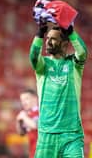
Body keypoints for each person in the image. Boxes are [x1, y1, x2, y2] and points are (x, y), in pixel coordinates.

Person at [29, 15, 88, 157]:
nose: (48, 42)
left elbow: (82, 53)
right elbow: (33, 57)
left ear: (64, 43)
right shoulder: (43, 65)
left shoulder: (73, 64)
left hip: (71, 135)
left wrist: (71, 32)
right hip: (46, 135)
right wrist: (40, 33)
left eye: (53, 39)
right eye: (47, 38)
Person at [16, 89, 39, 158]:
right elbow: (21, 133)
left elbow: (36, 125)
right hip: (33, 152)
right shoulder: (28, 114)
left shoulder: (41, 111)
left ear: (35, 98)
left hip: (43, 151)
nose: (23, 102)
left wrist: (24, 117)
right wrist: (18, 121)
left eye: (26, 99)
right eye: (22, 100)